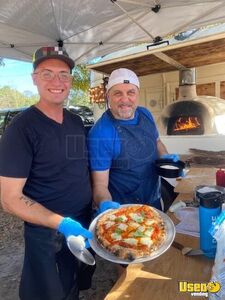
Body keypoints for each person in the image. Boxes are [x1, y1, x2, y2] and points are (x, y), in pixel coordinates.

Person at [0, 46, 95, 300]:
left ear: (71, 80)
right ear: (34, 78)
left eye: (63, 74)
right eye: (47, 73)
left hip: (84, 222)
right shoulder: (21, 129)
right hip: (48, 233)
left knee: (74, 284)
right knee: (50, 293)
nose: (57, 81)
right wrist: (61, 223)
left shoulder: (75, 122)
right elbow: (9, 199)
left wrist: (100, 201)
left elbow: (78, 169)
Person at [88, 68, 179, 214]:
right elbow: (100, 185)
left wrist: (165, 157)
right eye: (117, 93)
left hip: (154, 199)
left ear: (137, 94)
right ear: (108, 96)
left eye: (131, 92)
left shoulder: (145, 114)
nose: (125, 100)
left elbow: (157, 142)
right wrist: (105, 203)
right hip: (123, 210)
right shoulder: (101, 134)